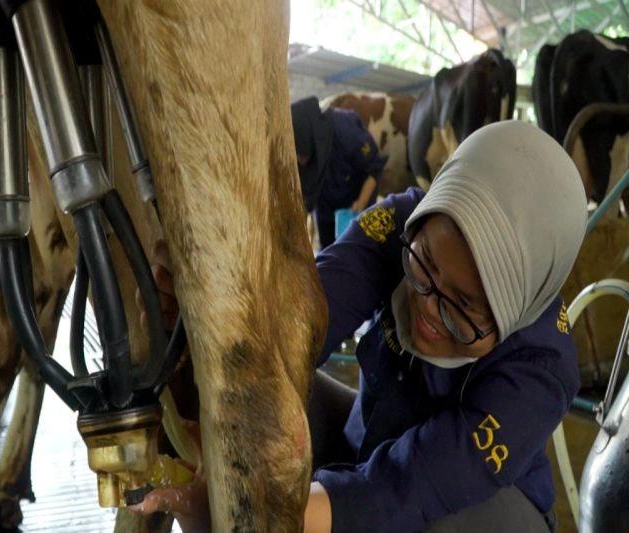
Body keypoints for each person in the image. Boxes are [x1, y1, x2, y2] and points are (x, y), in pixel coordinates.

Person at [131, 120, 587, 532]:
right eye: (423, 267)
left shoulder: (540, 370)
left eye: (463, 307)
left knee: (431, 524)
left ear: (514, 311)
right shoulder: (401, 222)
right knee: (267, 394)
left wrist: (261, 512)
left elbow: (413, 486)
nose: (428, 309)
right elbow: (299, 325)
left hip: (476, 505)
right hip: (371, 436)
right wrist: (200, 330)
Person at [291, 96, 387, 249]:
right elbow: (305, 198)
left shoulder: (346, 129)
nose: (301, 161)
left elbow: (373, 168)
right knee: (328, 252)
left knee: (355, 252)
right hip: (326, 208)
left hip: (353, 206)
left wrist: (360, 204)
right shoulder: (299, 141)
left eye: (302, 156)